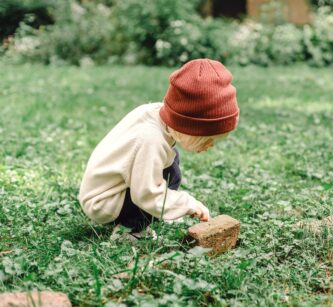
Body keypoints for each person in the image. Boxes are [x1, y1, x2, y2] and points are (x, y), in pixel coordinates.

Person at [78, 59, 239, 236]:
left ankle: (158, 211)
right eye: (207, 139)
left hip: (117, 186)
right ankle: (129, 231)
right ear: (187, 126)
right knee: (169, 175)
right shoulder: (149, 140)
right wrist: (186, 204)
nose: (210, 146)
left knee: (171, 164)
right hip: (103, 200)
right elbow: (146, 195)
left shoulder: (160, 116)